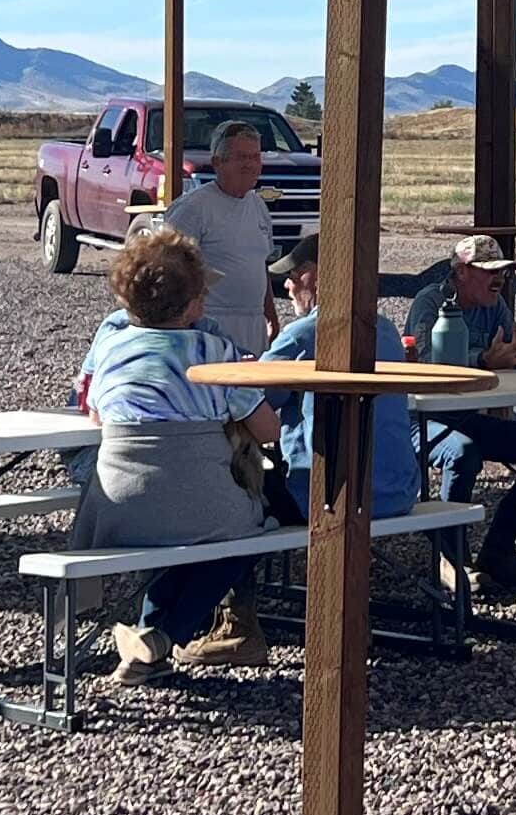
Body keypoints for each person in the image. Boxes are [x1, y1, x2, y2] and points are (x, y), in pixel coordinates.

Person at [66, 229, 279, 676]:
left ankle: (148, 650)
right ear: (194, 304)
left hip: (116, 507)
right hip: (201, 504)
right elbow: (268, 429)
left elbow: (96, 417)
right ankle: (167, 634)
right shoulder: (213, 353)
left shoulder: (108, 348)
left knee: (187, 528)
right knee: (242, 537)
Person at [406, 231, 516, 593]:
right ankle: (449, 559)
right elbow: (427, 364)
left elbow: (510, 353)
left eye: (503, 272)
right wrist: (484, 360)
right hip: (422, 419)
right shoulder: (430, 303)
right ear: (461, 271)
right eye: (490, 271)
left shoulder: (495, 307)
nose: (499, 279)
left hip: (466, 416)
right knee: (463, 453)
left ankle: (499, 549)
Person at [263, 233, 416, 532]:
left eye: (293, 276)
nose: (287, 286)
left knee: (229, 488)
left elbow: (255, 401)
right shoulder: (385, 331)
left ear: (316, 276)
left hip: (323, 499)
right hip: (399, 494)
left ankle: (233, 578)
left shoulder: (301, 334)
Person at [158, 117, 278, 353]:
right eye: (241, 158)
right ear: (217, 162)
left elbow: (259, 265)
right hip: (208, 325)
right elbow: (169, 268)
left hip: (253, 325)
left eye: (255, 157)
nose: (250, 165)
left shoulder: (258, 207)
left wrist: (271, 315)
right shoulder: (193, 208)